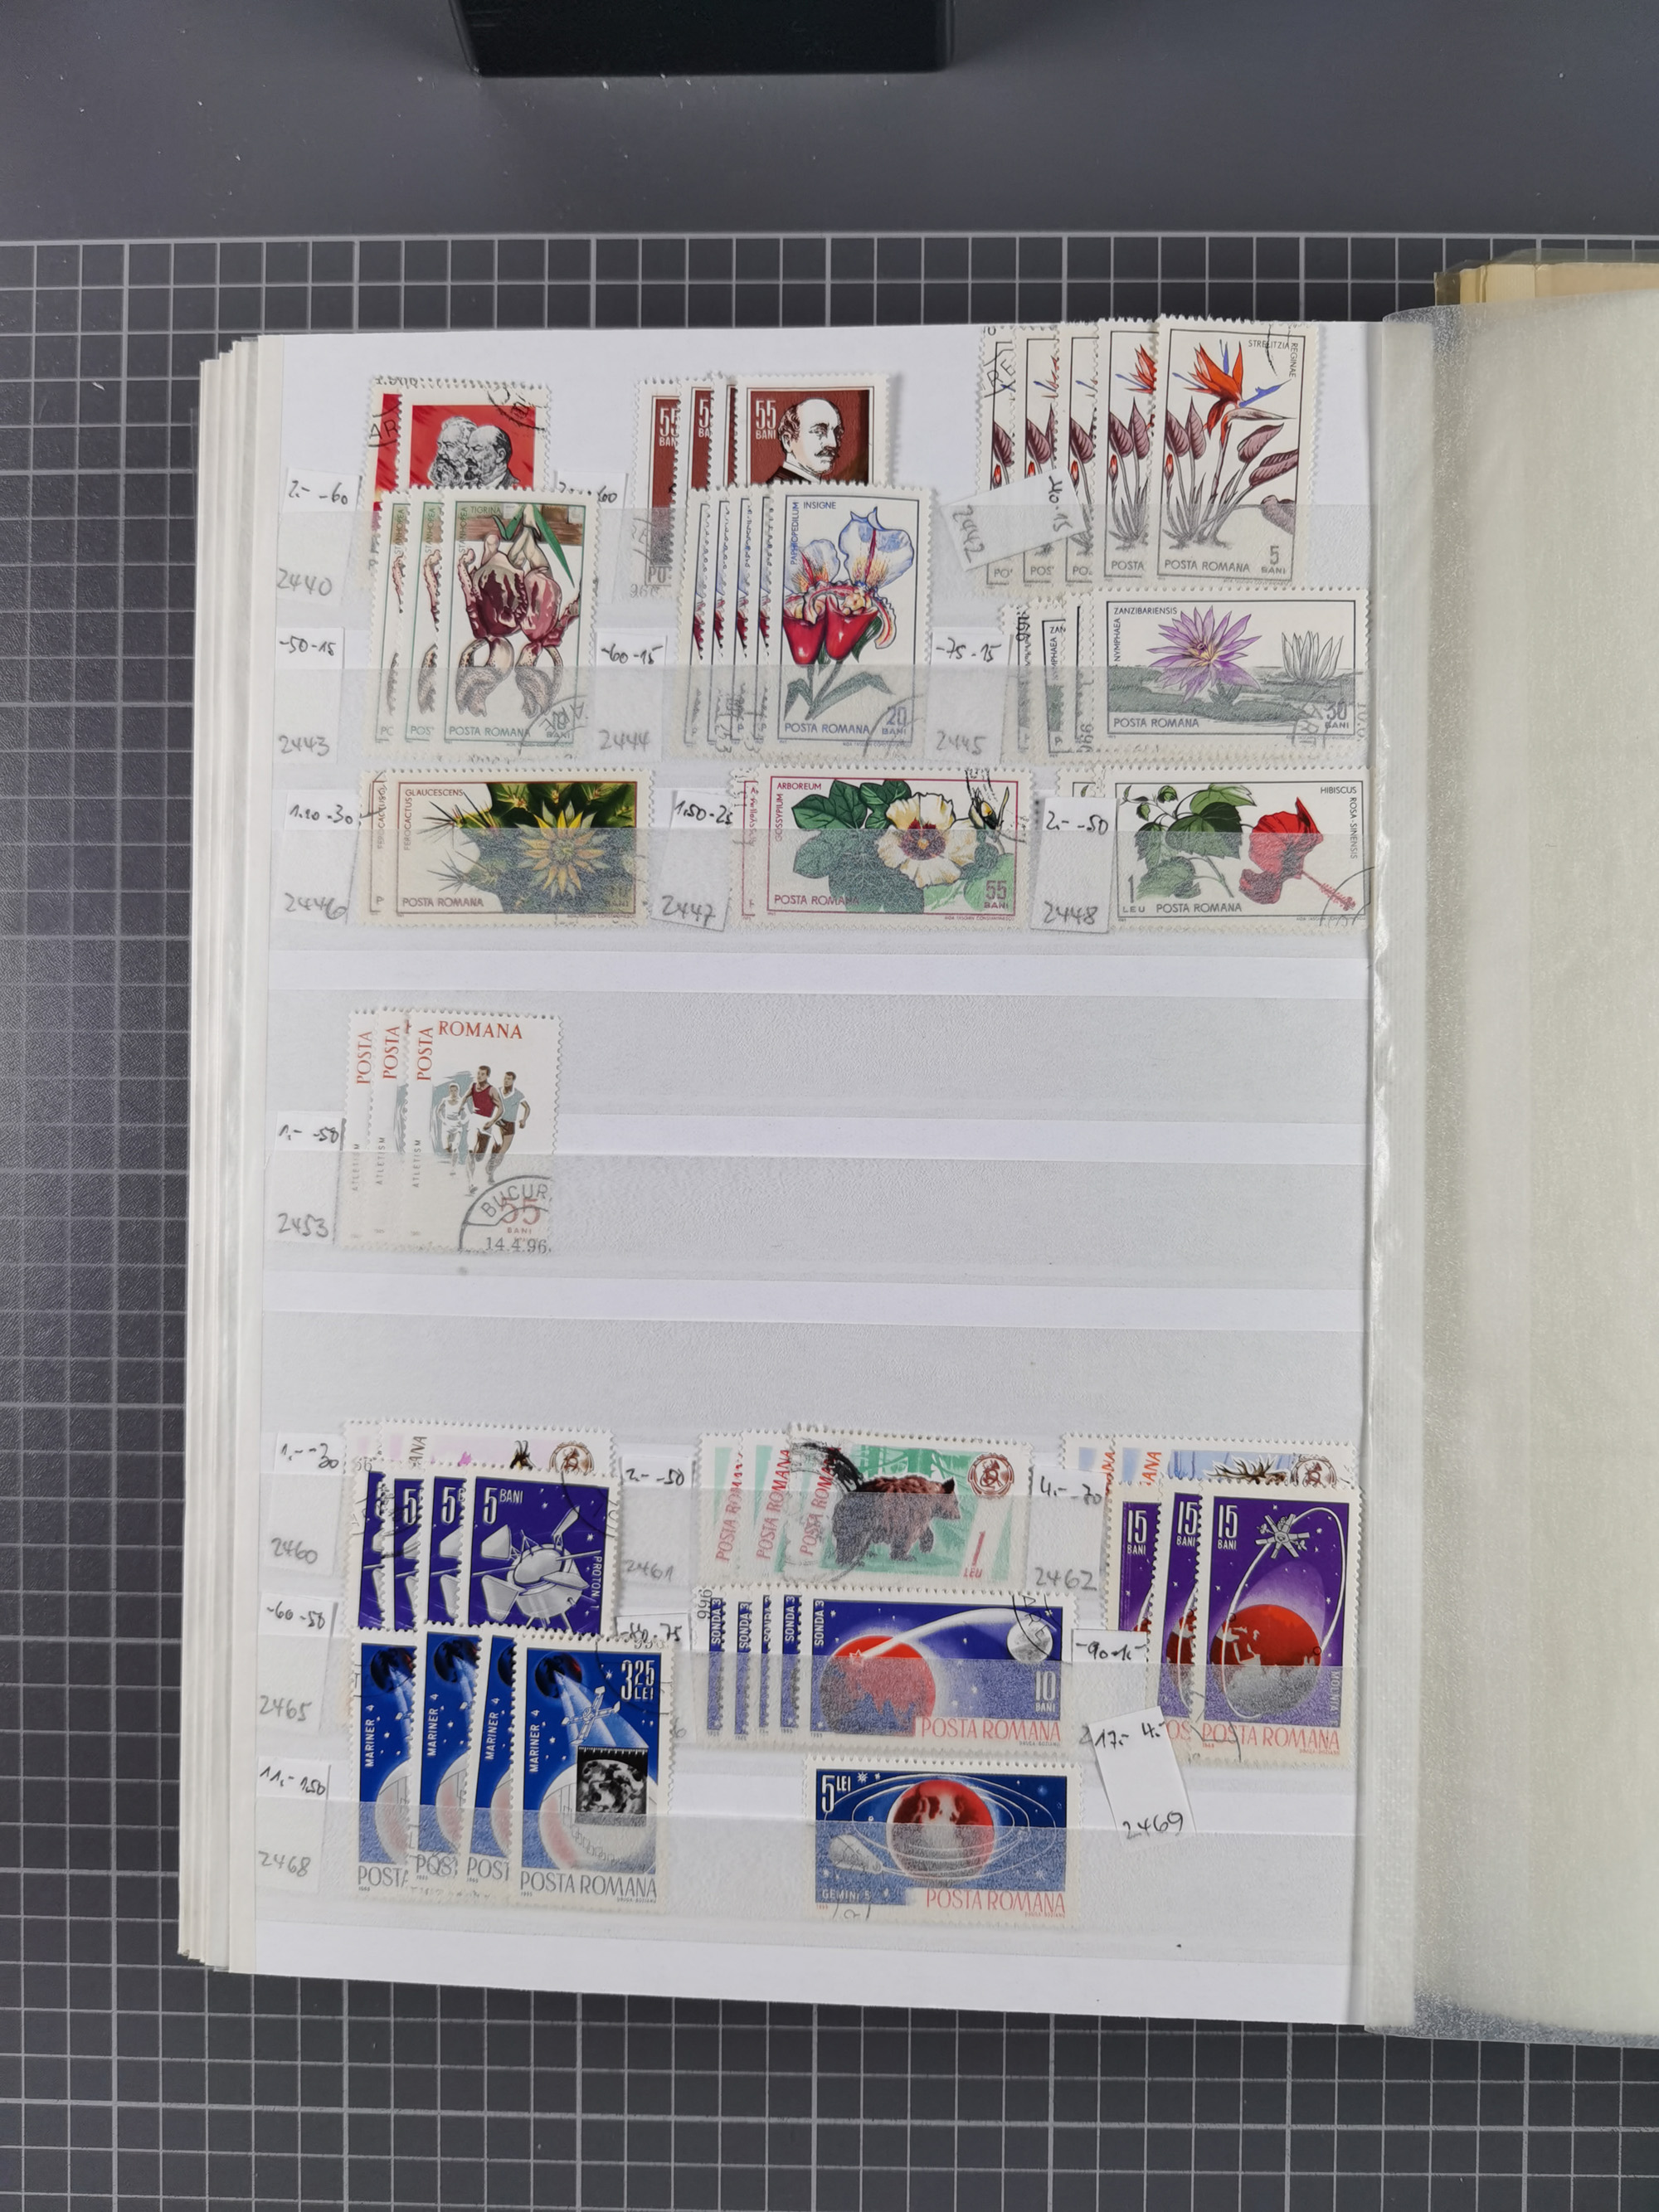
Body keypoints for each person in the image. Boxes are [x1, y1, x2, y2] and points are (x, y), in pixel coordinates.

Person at [762, 396, 844, 484]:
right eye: (819, 431)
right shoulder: (774, 488)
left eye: (836, 433)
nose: (833, 444)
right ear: (788, 441)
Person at [464, 1066, 502, 1187]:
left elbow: (501, 1108)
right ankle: (471, 1183)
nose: (479, 1076)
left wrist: (492, 1122)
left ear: (487, 1076)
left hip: (486, 1122)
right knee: (470, 1150)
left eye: (482, 1074)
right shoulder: (473, 1086)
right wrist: (464, 1111)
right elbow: (465, 1098)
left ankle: (486, 1157)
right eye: (478, 1073)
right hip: (474, 1120)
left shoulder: (492, 1090)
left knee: (479, 1157)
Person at [492, 1073, 532, 1168]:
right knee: (497, 1146)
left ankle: (492, 1169)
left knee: (503, 1150)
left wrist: (524, 1120)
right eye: (505, 1078)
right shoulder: (497, 1091)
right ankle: (490, 1166)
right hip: (498, 1122)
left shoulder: (518, 1094)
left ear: (513, 1081)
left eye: (509, 1079)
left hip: (509, 1124)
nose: (506, 1081)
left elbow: (527, 1108)